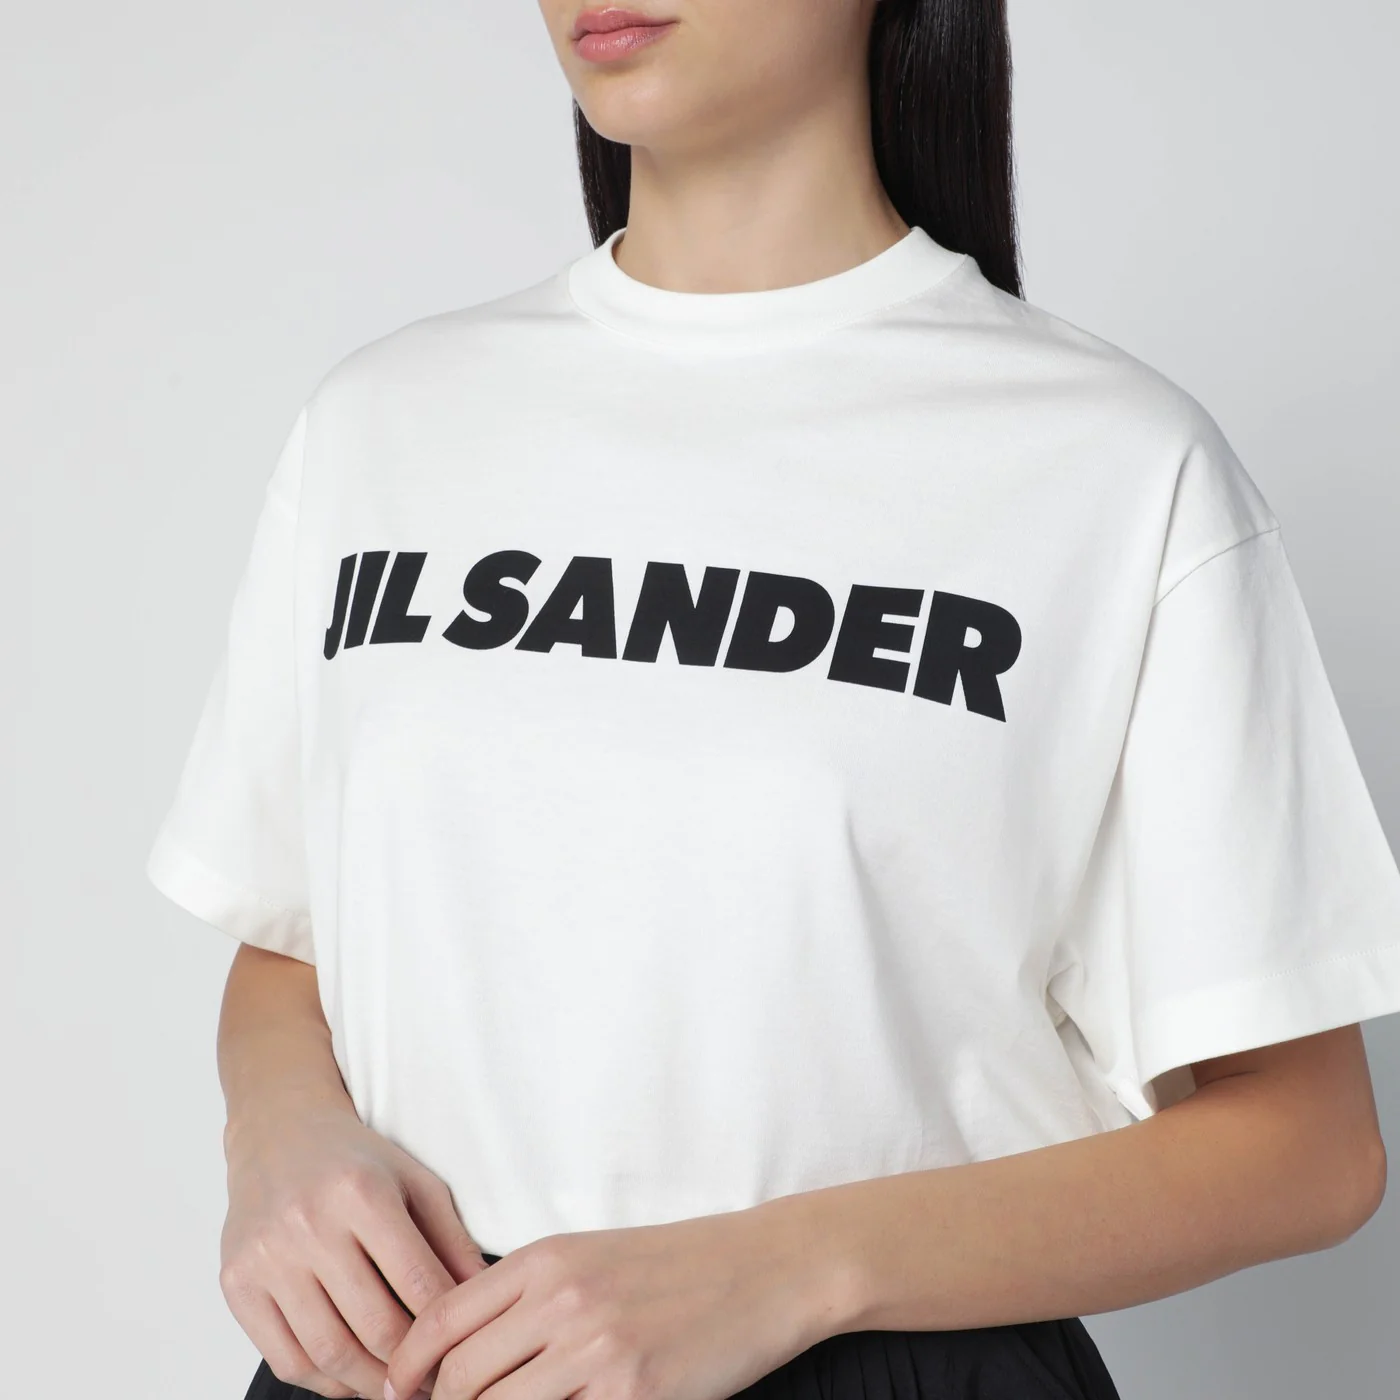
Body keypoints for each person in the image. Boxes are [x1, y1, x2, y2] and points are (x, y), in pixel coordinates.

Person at [145, 3, 1400, 1399]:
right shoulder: (384, 423)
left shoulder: (1112, 463)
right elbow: (296, 938)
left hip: (884, 1367)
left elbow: (1311, 1145)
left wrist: (789, 1269)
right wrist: (279, 1139)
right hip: (408, 1357)